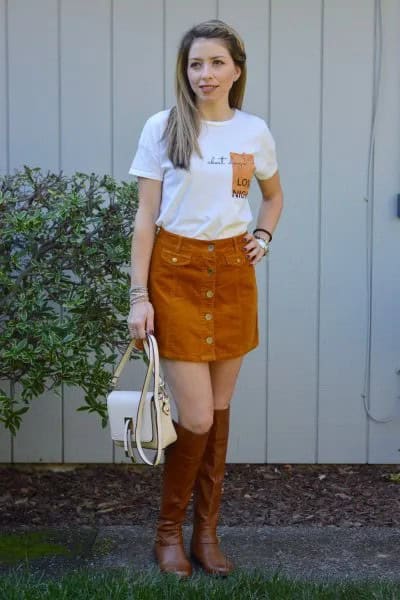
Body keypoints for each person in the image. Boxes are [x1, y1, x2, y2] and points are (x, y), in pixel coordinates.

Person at [127, 19, 283, 578]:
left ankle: (206, 534)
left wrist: (262, 236)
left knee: (218, 411)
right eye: (196, 64)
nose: (205, 74)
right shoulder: (165, 126)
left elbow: (272, 195)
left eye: (217, 63)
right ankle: (168, 531)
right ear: (185, 70)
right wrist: (138, 296)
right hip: (175, 273)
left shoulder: (253, 131)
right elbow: (146, 217)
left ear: (237, 69)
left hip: (233, 273)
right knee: (194, 416)